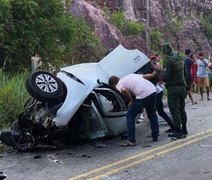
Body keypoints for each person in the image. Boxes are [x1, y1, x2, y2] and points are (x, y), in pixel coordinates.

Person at [108, 74, 159, 146]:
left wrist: (131, 100)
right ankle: (155, 136)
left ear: (113, 84)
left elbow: (124, 90)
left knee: (130, 115)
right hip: (153, 91)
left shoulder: (118, 84)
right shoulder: (130, 75)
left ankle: (131, 140)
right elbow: (145, 76)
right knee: (152, 113)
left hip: (143, 94)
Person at [156, 43, 188, 140]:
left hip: (173, 88)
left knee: (174, 111)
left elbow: (166, 76)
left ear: (164, 51)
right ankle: (184, 130)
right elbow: (185, 73)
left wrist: (159, 71)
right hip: (182, 87)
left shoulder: (168, 60)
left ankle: (177, 132)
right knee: (182, 109)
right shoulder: (179, 58)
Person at [144, 55, 175, 133]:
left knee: (153, 112)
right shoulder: (154, 68)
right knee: (160, 111)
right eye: (152, 59)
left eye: (154, 59)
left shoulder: (154, 68)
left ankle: (155, 132)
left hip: (156, 92)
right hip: (158, 91)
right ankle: (173, 126)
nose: (153, 61)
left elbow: (156, 74)